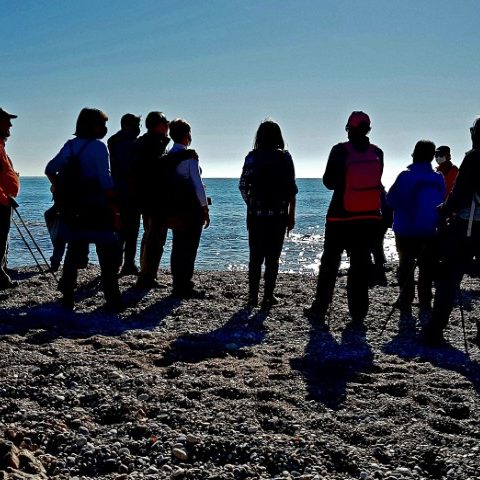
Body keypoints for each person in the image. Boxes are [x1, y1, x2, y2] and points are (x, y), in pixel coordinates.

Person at [304, 111, 383, 327]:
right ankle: (358, 314)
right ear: (367, 130)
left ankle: (320, 307)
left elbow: (328, 182)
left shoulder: (339, 150)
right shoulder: (378, 153)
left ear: (350, 129)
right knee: (360, 265)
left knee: (330, 263)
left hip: (340, 216)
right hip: (368, 218)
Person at [45, 108, 122, 311]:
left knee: (73, 251)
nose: (105, 128)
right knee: (107, 253)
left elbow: (50, 169)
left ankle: (67, 297)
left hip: (74, 208)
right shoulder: (98, 147)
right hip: (97, 206)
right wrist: (114, 205)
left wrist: (58, 186)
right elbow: (105, 180)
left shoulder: (70, 146)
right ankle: (112, 298)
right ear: (93, 126)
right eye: (102, 124)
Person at [422, 118, 480, 346]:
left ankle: (435, 330)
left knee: (449, 276)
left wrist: (444, 209)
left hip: (468, 224)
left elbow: (460, 194)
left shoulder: (474, 157)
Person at [239, 119, 297, 308]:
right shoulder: (285, 157)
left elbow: (242, 185)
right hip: (279, 214)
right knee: (273, 258)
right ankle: (268, 296)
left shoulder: (252, 157)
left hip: (256, 215)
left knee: (255, 258)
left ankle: (252, 297)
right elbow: (291, 189)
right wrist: (291, 215)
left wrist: (251, 203)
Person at [386, 140, 445, 315]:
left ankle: (406, 300)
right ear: (431, 157)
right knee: (427, 267)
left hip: (407, 229)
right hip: (430, 229)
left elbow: (391, 200)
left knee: (406, 266)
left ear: (415, 154)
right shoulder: (438, 178)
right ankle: (425, 301)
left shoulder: (406, 176)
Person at [164, 118, 210, 298]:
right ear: (186, 136)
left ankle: (177, 283)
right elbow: (197, 185)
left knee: (177, 245)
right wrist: (205, 208)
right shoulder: (189, 157)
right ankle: (185, 284)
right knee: (190, 247)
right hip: (190, 208)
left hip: (174, 207)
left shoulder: (167, 157)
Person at [132, 111, 170, 289]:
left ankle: (146, 272)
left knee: (149, 235)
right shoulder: (155, 143)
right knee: (155, 237)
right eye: (166, 123)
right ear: (160, 125)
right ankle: (148, 276)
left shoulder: (142, 142)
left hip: (144, 196)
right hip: (155, 196)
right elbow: (159, 167)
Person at [107, 113, 142, 276]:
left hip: (117, 190)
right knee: (132, 231)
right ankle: (128, 263)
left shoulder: (113, 141)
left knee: (119, 229)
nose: (139, 129)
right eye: (137, 125)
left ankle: (116, 263)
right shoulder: (132, 144)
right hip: (131, 192)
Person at [0, 108, 20, 289]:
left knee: (3, 237)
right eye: (6, 121)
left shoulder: (1, 146)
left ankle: (2, 270)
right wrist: (5, 198)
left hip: (5, 200)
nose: (10, 125)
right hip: (2, 201)